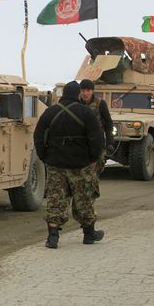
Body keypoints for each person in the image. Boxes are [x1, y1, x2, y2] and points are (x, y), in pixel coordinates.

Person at [33, 81, 105, 249]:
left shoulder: (50, 112)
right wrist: (93, 158)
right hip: (81, 165)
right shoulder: (86, 112)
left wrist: (44, 156)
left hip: (56, 164)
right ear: (78, 94)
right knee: (84, 198)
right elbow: (97, 138)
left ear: (64, 94)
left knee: (55, 199)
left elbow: (38, 135)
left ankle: (52, 237)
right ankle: (89, 234)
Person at [79, 78, 113, 172]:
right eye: (83, 90)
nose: (85, 93)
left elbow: (108, 123)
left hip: (97, 141)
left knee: (95, 171)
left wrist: (110, 141)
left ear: (92, 91)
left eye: (88, 90)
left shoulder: (100, 104)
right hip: (80, 142)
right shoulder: (76, 103)